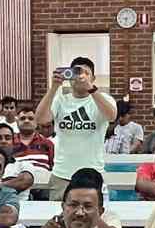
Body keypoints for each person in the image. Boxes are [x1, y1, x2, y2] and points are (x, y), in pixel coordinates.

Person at [37, 56, 117, 196]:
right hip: (62, 174)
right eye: (76, 72)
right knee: (58, 209)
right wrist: (54, 88)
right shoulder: (60, 100)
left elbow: (111, 116)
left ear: (93, 78)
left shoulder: (104, 99)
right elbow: (41, 119)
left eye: (86, 73)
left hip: (93, 173)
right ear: (69, 76)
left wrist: (91, 89)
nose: (80, 77)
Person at [0, 123, 41, 201]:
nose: (3, 141)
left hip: (19, 206)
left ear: (13, 143)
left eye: (7, 138)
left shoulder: (24, 165)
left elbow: (24, 182)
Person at [13, 106, 56, 171]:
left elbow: (53, 168)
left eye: (31, 118)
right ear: (17, 122)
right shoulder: (10, 142)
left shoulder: (47, 143)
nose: (26, 121)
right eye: (22, 118)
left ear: (36, 122)